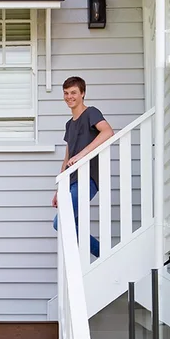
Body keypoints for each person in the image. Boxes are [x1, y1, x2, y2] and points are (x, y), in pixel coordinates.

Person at [52, 76, 114, 257]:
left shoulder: (91, 113)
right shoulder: (69, 124)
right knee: (71, 225)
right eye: (66, 93)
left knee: (60, 222)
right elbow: (67, 157)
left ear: (82, 94)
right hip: (71, 181)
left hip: (87, 179)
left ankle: (103, 254)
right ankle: (98, 258)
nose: (69, 97)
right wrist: (59, 189)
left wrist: (81, 155)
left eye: (73, 93)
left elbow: (108, 132)